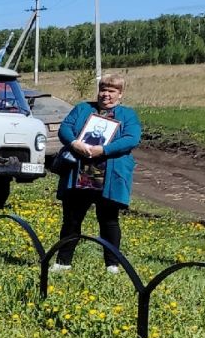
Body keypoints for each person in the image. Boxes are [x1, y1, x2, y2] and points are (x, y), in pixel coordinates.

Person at [51, 73, 143, 273]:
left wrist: (104, 150)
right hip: (79, 175)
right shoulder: (83, 108)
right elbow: (65, 128)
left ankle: (112, 265)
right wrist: (74, 143)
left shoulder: (128, 115)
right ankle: (62, 263)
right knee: (72, 220)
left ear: (120, 94)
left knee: (109, 221)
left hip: (108, 178)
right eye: (103, 90)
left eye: (112, 91)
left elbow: (132, 138)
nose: (106, 95)